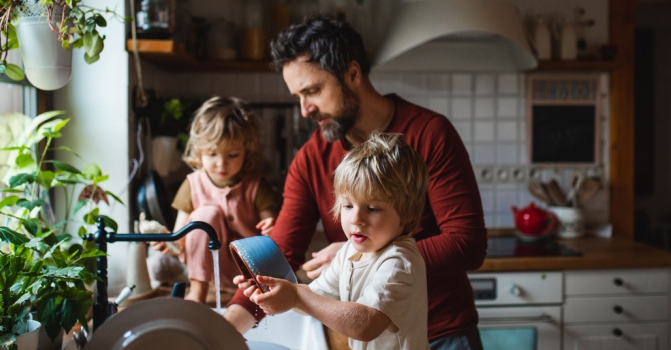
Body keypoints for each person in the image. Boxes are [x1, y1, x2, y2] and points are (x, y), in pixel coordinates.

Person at [224, 16, 487, 350]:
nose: (305, 110)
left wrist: (364, 253)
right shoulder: (311, 158)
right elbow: (282, 254)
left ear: (352, 74)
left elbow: (467, 243)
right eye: (298, 96)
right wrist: (227, 328)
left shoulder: (429, 134)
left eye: (313, 91)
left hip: (443, 334)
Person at [238, 132, 430, 349]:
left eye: (373, 209)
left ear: (407, 213)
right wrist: (276, 290)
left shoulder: (398, 261)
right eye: (348, 206)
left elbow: (365, 325)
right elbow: (313, 300)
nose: (356, 218)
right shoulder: (349, 252)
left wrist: (297, 297)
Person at [147, 96, 278, 303]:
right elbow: (179, 239)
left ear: (247, 151)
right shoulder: (192, 184)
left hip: (250, 270)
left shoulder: (256, 184)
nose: (221, 164)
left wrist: (272, 228)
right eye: (212, 154)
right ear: (199, 152)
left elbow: (273, 232)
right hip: (207, 271)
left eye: (232, 155)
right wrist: (168, 241)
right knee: (205, 216)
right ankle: (197, 291)